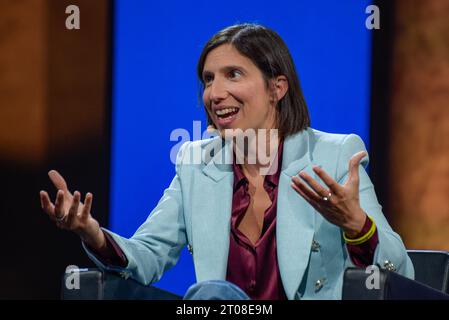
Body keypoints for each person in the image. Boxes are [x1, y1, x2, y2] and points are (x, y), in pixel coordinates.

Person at [39, 23, 414, 300]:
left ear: (276, 88)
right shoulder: (195, 163)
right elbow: (148, 256)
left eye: (233, 75)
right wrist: (93, 234)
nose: (215, 94)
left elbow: (402, 273)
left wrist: (357, 226)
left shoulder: (335, 154)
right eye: (207, 80)